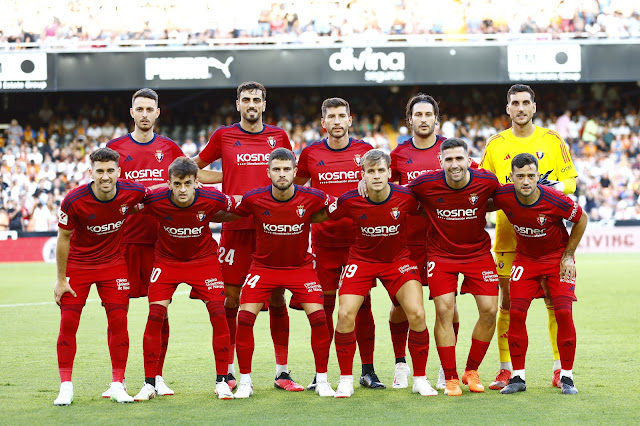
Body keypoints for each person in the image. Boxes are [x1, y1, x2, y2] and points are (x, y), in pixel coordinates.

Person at [195, 81, 298, 391]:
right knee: (231, 297)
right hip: (236, 228)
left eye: (257, 99)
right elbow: (195, 171)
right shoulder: (223, 136)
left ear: (264, 105)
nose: (251, 104)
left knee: (278, 295)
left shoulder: (278, 136)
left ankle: (282, 372)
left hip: (273, 229)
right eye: (246, 99)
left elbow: (289, 173)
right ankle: (226, 372)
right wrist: (229, 175)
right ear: (237, 104)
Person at [480, 84, 578, 390]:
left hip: (549, 240)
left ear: (534, 107)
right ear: (507, 108)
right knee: (507, 304)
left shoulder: (552, 140)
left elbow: (572, 180)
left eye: (525, 102)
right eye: (514, 103)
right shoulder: (495, 144)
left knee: (555, 303)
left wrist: (553, 189)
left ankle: (559, 366)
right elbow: (485, 187)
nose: (520, 108)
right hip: (508, 239)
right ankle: (506, 368)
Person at [316, 149, 435, 398]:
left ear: (389, 172)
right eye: (371, 171)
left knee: (417, 313)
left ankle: (420, 379)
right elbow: (322, 214)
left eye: (381, 170)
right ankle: (346, 380)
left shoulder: (406, 197)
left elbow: (429, 209)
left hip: (397, 261)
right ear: (363, 175)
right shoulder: (350, 199)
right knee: (345, 313)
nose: (377, 175)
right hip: (362, 260)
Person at [231, 148, 335, 398]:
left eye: (286, 169)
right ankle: (245, 381)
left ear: (295, 172)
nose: (281, 174)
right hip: (263, 268)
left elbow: (337, 207)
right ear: (267, 172)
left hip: (299, 268)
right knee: (244, 319)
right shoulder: (253, 198)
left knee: (320, 319)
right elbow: (227, 211)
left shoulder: (312, 196)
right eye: (276, 169)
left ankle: (321, 380)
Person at [293, 97, 382, 390]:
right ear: (323, 122)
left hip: (360, 243)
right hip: (323, 243)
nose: (336, 121)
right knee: (324, 309)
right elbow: (296, 189)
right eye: (330, 117)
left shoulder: (365, 151)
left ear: (350, 120)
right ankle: (321, 374)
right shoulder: (310, 153)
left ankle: (368, 370)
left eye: (341, 116)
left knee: (362, 306)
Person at [132, 157, 235, 401]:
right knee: (155, 315)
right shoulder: (155, 200)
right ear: (168, 183)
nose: (182, 190)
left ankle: (222, 381)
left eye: (187, 183)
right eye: (177, 184)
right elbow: (128, 205)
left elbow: (240, 206)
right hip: (167, 263)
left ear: (196, 182)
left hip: (204, 262)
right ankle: (149, 383)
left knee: (219, 315)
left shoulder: (211, 198)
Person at [105, 88, 184, 398]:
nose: (145, 114)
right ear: (132, 112)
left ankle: (157, 377)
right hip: (121, 243)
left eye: (150, 109)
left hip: (160, 244)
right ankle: (117, 380)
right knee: (116, 312)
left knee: (159, 312)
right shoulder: (115, 147)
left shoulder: (170, 148)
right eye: (140, 109)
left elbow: (186, 186)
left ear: (158, 113)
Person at [53, 148, 146, 405]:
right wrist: (61, 279)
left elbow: (155, 195)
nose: (105, 176)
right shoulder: (74, 200)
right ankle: (66, 387)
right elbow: (63, 238)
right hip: (78, 267)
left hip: (113, 265)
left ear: (118, 171)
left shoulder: (132, 192)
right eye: (100, 171)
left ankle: (117, 384)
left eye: (110, 171)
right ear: (90, 172)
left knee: (119, 322)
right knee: (68, 324)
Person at [408, 138, 500, 397]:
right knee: (444, 309)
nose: (454, 164)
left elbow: (505, 198)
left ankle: (471, 370)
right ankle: (449, 376)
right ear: (440, 162)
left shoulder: (487, 181)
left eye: (459, 158)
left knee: (490, 310)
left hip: (477, 253)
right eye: (448, 159)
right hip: (441, 254)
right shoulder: (425, 183)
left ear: (469, 159)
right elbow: (397, 193)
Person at [493, 153, 587, 395]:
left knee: (564, 313)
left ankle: (566, 376)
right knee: (515, 311)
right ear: (511, 176)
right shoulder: (503, 195)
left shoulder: (555, 199)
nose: (526, 181)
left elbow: (582, 218)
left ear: (538, 176)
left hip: (557, 260)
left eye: (531, 176)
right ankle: (518, 377)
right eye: (520, 176)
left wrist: (568, 255)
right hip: (526, 260)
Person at [387, 93, 458, 390]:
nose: (424, 119)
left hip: (443, 243)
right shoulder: (398, 155)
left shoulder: (451, 151)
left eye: (429, 114)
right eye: (418, 114)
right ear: (410, 120)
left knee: (448, 308)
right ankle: (401, 364)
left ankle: (446, 366)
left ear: (436, 120)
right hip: (407, 243)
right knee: (403, 307)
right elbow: (387, 191)